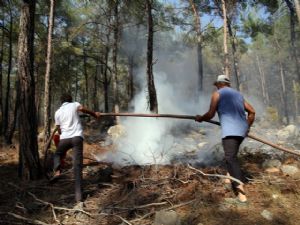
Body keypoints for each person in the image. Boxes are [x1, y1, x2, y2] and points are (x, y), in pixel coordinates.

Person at [195, 75, 255, 203]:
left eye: (217, 84)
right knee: (232, 154)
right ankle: (228, 178)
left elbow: (210, 114)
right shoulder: (238, 95)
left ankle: (241, 192)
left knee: (230, 158)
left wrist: (200, 118)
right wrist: (247, 127)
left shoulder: (217, 94)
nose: (216, 86)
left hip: (230, 132)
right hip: (241, 131)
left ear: (219, 84)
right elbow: (252, 112)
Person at [53, 93, 101, 203]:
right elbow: (83, 109)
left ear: (62, 102)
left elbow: (59, 130)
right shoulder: (74, 105)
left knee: (57, 154)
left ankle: (57, 171)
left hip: (64, 139)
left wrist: (64, 130)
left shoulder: (57, 112)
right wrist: (95, 114)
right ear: (70, 100)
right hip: (76, 138)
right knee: (78, 168)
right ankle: (79, 198)